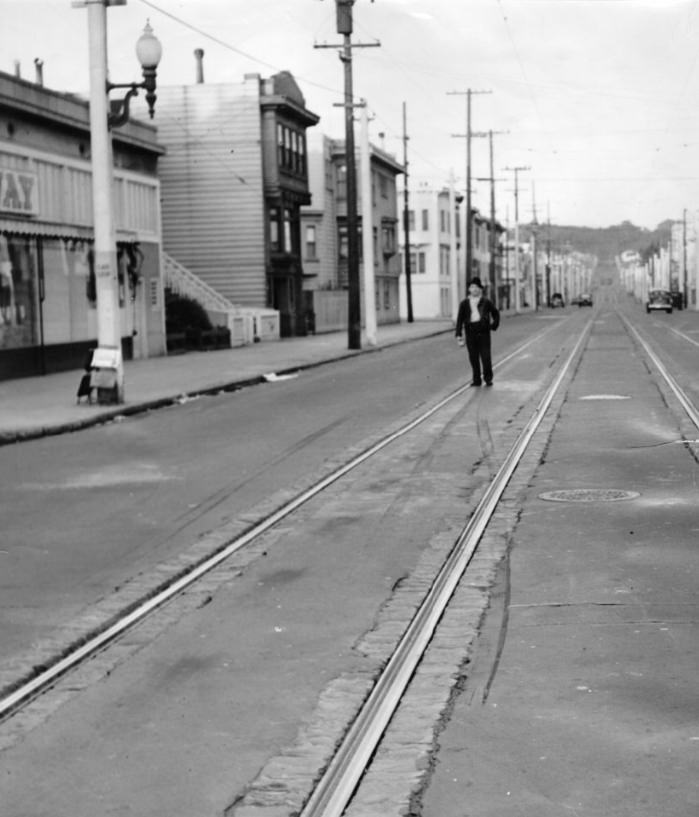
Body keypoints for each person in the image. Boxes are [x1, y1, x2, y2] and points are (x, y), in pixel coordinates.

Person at [455, 277, 500, 386]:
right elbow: (460, 319)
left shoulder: (486, 302)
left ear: (480, 289)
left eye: (476, 287)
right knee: (473, 358)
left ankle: (488, 378)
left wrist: (493, 325)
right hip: (470, 333)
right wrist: (458, 334)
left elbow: (495, 313)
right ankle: (476, 380)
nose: (474, 289)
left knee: (486, 357)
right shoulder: (464, 303)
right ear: (469, 289)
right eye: (472, 287)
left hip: (484, 333)